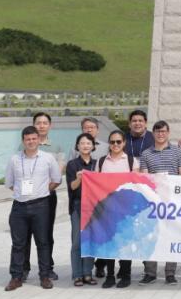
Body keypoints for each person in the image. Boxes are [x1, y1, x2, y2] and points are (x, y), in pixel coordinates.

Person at [4, 126, 61, 291]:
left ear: (38, 140)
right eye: (28, 139)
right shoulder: (14, 159)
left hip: (41, 205)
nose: (31, 141)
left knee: (43, 242)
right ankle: (16, 277)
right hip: (19, 206)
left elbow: (57, 179)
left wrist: (41, 191)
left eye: (34, 138)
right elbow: (9, 183)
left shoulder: (47, 158)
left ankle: (45, 276)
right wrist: (23, 193)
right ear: (23, 141)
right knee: (18, 244)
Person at [139, 121, 181, 285]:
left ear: (168, 133)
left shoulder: (178, 151)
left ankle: (170, 273)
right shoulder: (146, 154)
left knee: (171, 237)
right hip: (153, 202)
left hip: (172, 201)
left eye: (163, 131)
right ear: (153, 133)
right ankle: (150, 273)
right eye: (158, 131)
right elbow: (145, 177)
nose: (161, 134)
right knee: (151, 236)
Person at [22, 112, 63, 281]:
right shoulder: (25, 145)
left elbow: (58, 173)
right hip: (26, 197)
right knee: (24, 234)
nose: (41, 125)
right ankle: (23, 268)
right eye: (38, 122)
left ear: (50, 126)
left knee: (45, 234)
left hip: (47, 196)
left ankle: (47, 268)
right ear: (33, 125)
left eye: (45, 123)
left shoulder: (57, 147)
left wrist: (42, 190)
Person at [96, 130, 139, 288]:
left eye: (118, 142)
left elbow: (137, 184)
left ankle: (125, 275)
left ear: (124, 143)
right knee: (109, 244)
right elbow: (95, 183)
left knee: (125, 242)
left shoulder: (131, 161)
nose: (115, 144)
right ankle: (110, 276)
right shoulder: (102, 161)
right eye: (112, 142)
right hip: (106, 209)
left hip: (125, 209)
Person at [65, 133, 98, 287]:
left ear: (93, 146)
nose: (85, 146)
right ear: (77, 146)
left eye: (88, 143)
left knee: (90, 240)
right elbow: (72, 187)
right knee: (77, 241)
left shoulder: (97, 164)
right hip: (78, 205)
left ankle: (87, 273)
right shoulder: (72, 165)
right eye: (82, 143)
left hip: (94, 206)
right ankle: (77, 274)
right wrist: (79, 178)